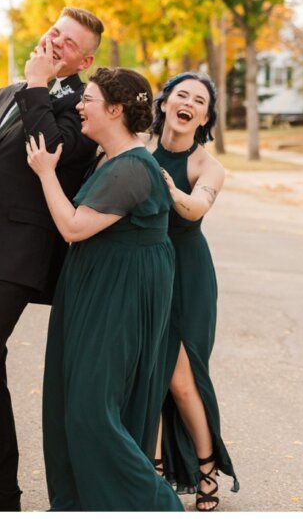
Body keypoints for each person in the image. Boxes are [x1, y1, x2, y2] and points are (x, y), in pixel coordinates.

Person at [0, 7, 103, 511]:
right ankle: (2, 492)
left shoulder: (82, 105)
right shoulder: (8, 91)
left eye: (69, 43)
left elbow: (52, 149)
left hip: (14, 257)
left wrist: (38, 86)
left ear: (86, 59)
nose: (56, 43)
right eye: (55, 32)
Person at [26, 67, 182, 511]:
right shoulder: (111, 159)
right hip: (99, 287)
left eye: (88, 100)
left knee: (91, 411)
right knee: (76, 401)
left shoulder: (132, 166)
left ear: (114, 110)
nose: (79, 106)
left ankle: (157, 505)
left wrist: (45, 173)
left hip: (121, 296)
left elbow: (74, 227)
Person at [148, 72, 238, 510]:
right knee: (149, 373)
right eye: (180, 94)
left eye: (198, 100)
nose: (188, 103)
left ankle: (206, 470)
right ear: (164, 103)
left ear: (204, 117)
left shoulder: (207, 165)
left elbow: (197, 205)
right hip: (144, 270)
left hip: (188, 276)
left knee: (183, 380)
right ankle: (156, 470)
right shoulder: (139, 149)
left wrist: (167, 187)